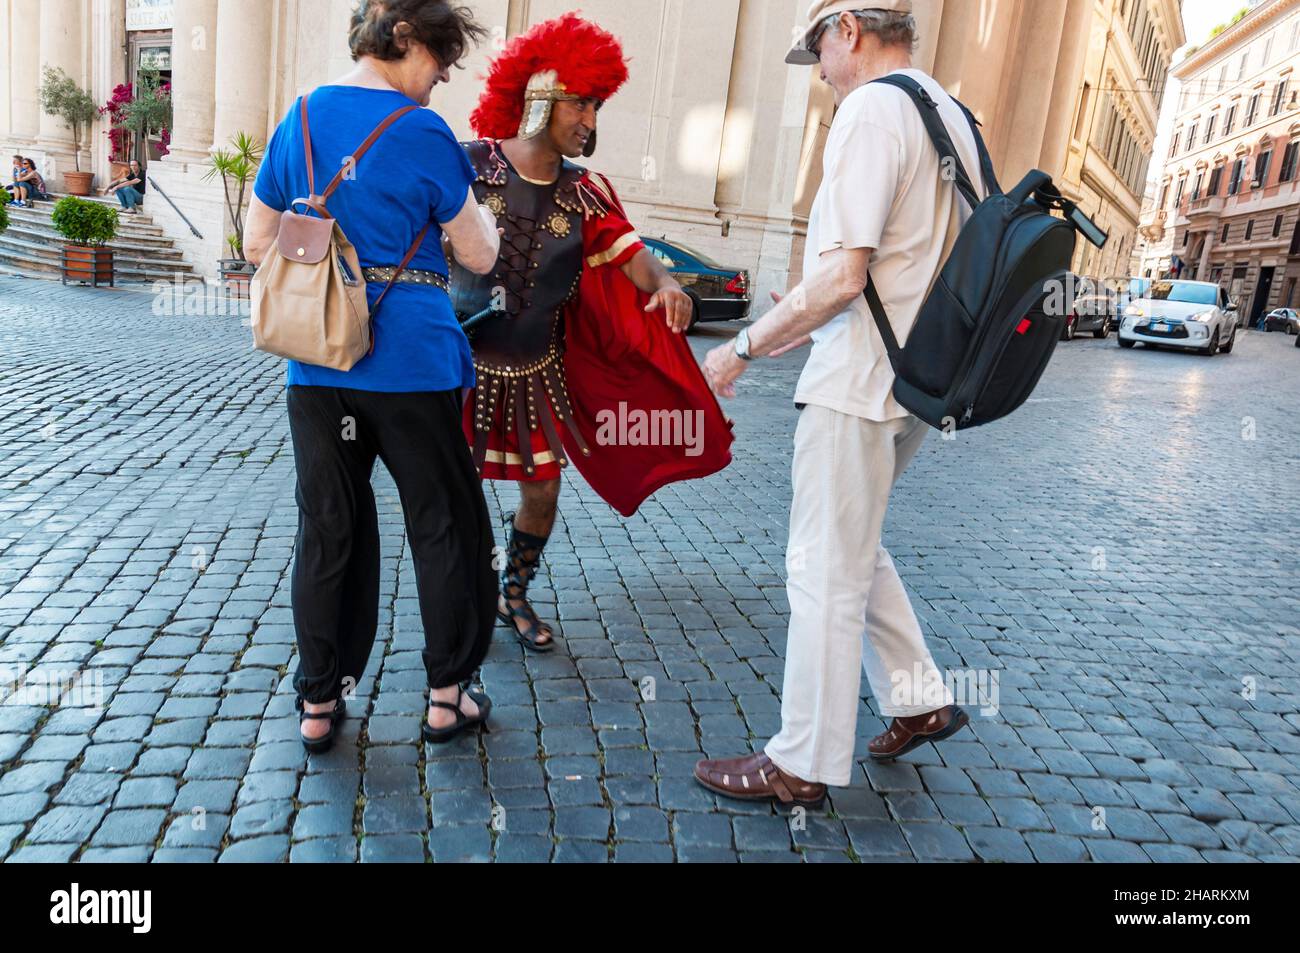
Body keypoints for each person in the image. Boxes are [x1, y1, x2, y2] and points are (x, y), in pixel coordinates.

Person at [695, 0, 974, 807]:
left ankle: (802, 761)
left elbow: (846, 276)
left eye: (817, 47)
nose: (818, 69)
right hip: (920, 376)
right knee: (856, 542)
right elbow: (907, 265)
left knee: (821, 565)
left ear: (848, 29)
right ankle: (919, 698)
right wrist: (809, 308)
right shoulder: (951, 113)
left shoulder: (870, 111)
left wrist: (742, 345)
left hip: (859, 378)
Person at [243, 0, 503, 751]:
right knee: (443, 523)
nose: (443, 77)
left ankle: (321, 701)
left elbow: (259, 237)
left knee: (328, 525)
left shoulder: (298, 118)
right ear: (405, 40)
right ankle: (447, 697)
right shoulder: (424, 131)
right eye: (441, 60)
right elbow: (481, 256)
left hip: (318, 362)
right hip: (412, 362)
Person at [450, 12, 733, 653]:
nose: (591, 121)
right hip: (458, 365)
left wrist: (665, 286)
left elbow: (635, 257)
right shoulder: (469, 165)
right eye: (581, 103)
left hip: (535, 371)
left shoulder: (588, 195)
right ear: (540, 98)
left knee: (542, 490)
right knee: (451, 492)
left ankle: (511, 592)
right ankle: (460, 595)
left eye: (597, 106)